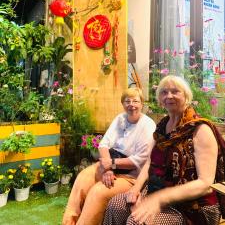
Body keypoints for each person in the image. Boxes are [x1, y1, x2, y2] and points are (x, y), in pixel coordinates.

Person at [103, 75, 225, 225]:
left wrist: (159, 199)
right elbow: (149, 162)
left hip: (192, 206)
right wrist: (136, 188)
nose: (169, 96)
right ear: (160, 99)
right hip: (156, 192)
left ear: (186, 96)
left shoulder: (200, 130)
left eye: (175, 91)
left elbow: (205, 183)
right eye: (164, 92)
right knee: (116, 205)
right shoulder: (162, 126)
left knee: (137, 221)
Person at [62, 87, 156, 225]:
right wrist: (108, 169)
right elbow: (104, 144)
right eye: (127, 101)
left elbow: (139, 160)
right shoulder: (120, 118)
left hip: (131, 175)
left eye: (135, 101)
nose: (131, 104)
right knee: (83, 178)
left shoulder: (148, 125)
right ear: (122, 104)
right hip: (110, 165)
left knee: (98, 192)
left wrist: (111, 164)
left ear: (142, 104)